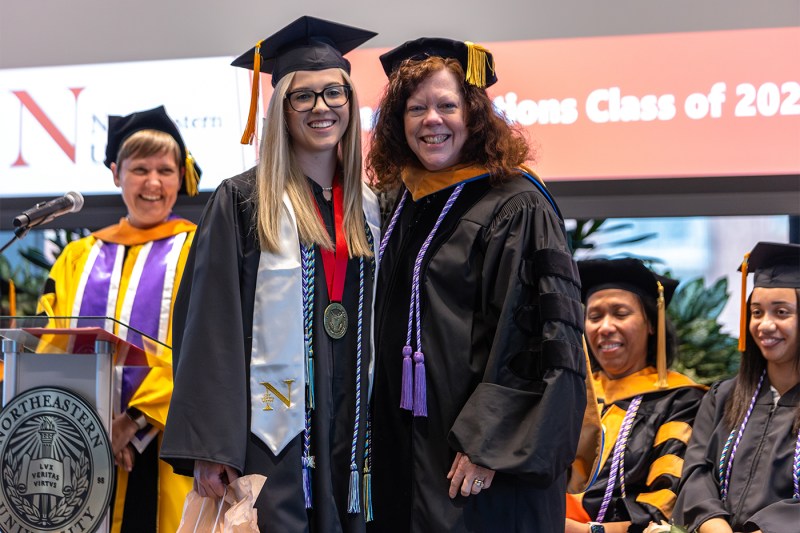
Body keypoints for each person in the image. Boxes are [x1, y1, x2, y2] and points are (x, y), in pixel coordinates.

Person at [160, 16, 381, 533]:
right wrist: (214, 445)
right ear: (280, 109)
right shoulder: (242, 202)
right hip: (273, 442)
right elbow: (209, 327)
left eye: (334, 93)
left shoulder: (374, 209)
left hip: (357, 435)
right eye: (303, 97)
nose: (321, 107)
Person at [366, 37, 587, 532]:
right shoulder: (395, 202)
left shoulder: (515, 205)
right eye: (415, 108)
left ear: (474, 114)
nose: (431, 120)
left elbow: (537, 338)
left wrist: (491, 442)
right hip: (402, 450)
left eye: (447, 105)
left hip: (477, 464)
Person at [37, 105, 201, 533]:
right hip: (80, 446)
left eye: (165, 170)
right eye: (139, 169)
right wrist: (90, 426)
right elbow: (51, 345)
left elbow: (201, 345)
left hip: (167, 444)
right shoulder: (78, 257)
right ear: (116, 173)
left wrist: (132, 421)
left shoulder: (198, 250)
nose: (152, 183)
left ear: (181, 176)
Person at [565, 258, 707, 533]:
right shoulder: (573, 394)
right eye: (594, 317)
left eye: (620, 313)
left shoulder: (681, 400)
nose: (605, 327)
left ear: (651, 323)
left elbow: (666, 501)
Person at [673, 242, 800, 532]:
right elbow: (696, 471)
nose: (765, 325)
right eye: (757, 312)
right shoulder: (724, 397)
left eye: (781, 312)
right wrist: (714, 525)